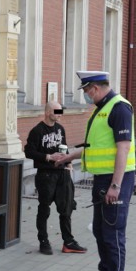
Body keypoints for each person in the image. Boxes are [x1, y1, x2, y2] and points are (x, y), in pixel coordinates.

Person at [52, 71, 136, 271]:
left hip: (115, 180)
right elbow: (94, 147)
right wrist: (69, 156)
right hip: (102, 180)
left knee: (113, 235)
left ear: (96, 88)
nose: (87, 96)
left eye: (87, 91)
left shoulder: (119, 108)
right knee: (101, 232)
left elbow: (123, 149)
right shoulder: (103, 108)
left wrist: (116, 186)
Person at [24, 101, 86, 255]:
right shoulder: (37, 131)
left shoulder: (60, 129)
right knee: (44, 209)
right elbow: (29, 152)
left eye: (60, 111)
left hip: (62, 173)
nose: (59, 114)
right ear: (47, 112)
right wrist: (48, 157)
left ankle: (68, 242)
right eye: (56, 111)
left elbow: (64, 148)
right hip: (45, 175)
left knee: (66, 209)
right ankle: (43, 241)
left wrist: (69, 163)